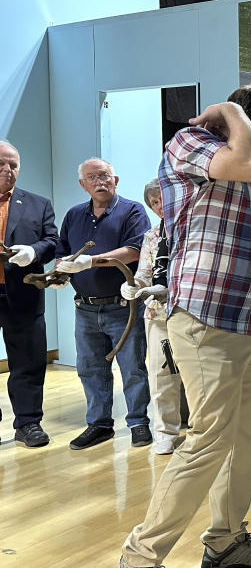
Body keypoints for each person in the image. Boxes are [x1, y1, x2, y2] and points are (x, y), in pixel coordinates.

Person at [118, 86, 251, 568]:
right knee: (207, 440)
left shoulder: (244, 183)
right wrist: (229, 112)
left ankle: (225, 542)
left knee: (246, 441)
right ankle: (141, 556)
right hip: (204, 321)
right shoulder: (190, 142)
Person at [55, 158, 151, 451]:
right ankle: (99, 424)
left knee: (132, 367)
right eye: (92, 177)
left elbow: (135, 251)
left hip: (123, 307)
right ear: (83, 184)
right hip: (84, 308)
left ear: (116, 179)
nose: (100, 181)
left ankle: (138, 423)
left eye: (105, 175)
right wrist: (60, 270)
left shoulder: (132, 210)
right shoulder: (73, 215)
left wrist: (91, 261)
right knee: (89, 368)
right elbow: (63, 252)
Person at [0, 140, 58, 447]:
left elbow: (53, 241)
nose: (8, 171)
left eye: (14, 165)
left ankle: (28, 423)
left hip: (22, 294)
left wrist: (33, 251)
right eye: (1, 164)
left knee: (28, 361)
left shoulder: (38, 204)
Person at [120, 179, 184, 455]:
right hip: (157, 316)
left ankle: (202, 433)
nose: (160, 206)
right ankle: (165, 432)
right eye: (154, 203)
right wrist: (135, 286)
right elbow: (144, 274)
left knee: (197, 376)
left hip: (190, 313)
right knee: (162, 374)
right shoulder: (151, 236)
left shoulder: (192, 228)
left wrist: (170, 288)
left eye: (163, 199)